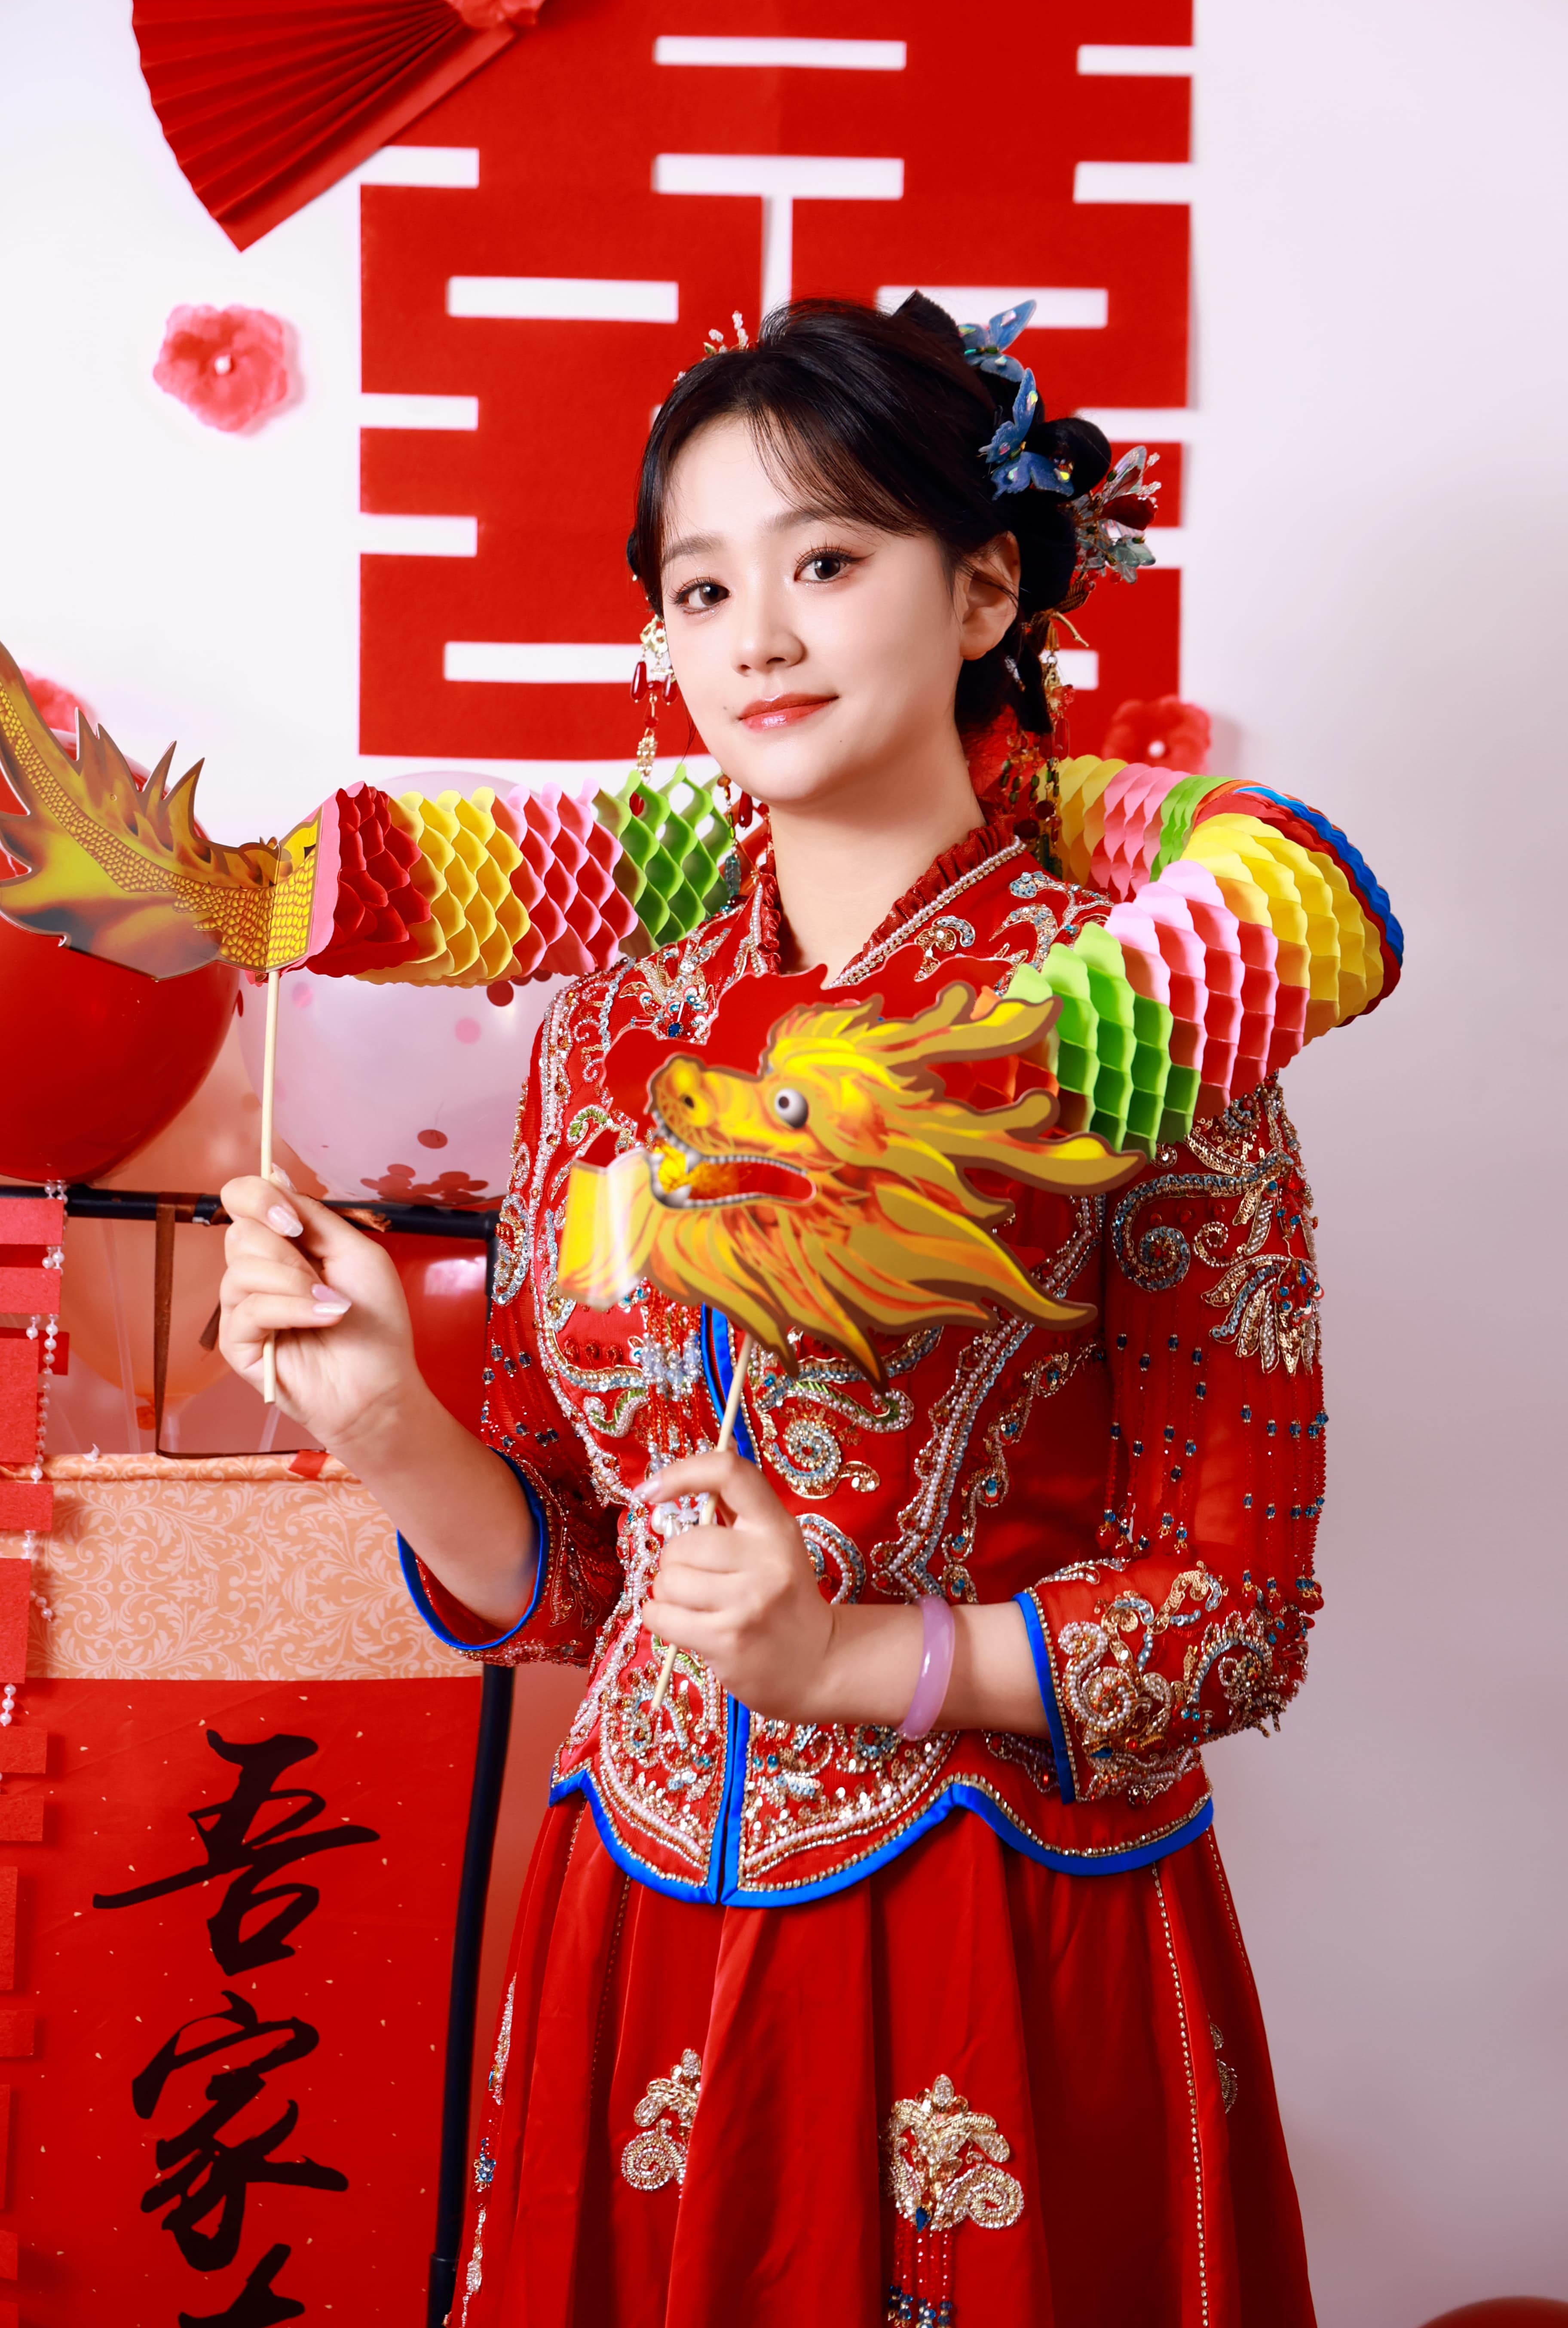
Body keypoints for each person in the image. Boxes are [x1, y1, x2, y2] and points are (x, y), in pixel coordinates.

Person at [219, 297, 1386, 2328]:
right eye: (702, 587)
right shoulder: (613, 1024)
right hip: (637, 1919)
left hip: (991, 1944)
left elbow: (1231, 1613)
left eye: (827, 560)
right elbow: (589, 1579)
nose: (756, 634)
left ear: (986, 588)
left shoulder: (1137, 1028)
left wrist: (847, 1654)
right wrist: (383, 1423)